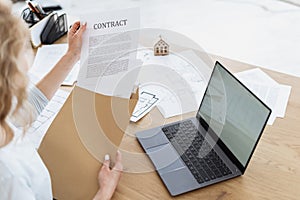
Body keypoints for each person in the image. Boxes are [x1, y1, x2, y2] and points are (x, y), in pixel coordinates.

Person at [0, 0, 123, 199]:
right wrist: (105, 191)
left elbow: (27, 109)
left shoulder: (3, 112)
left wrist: (72, 54)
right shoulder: (10, 179)